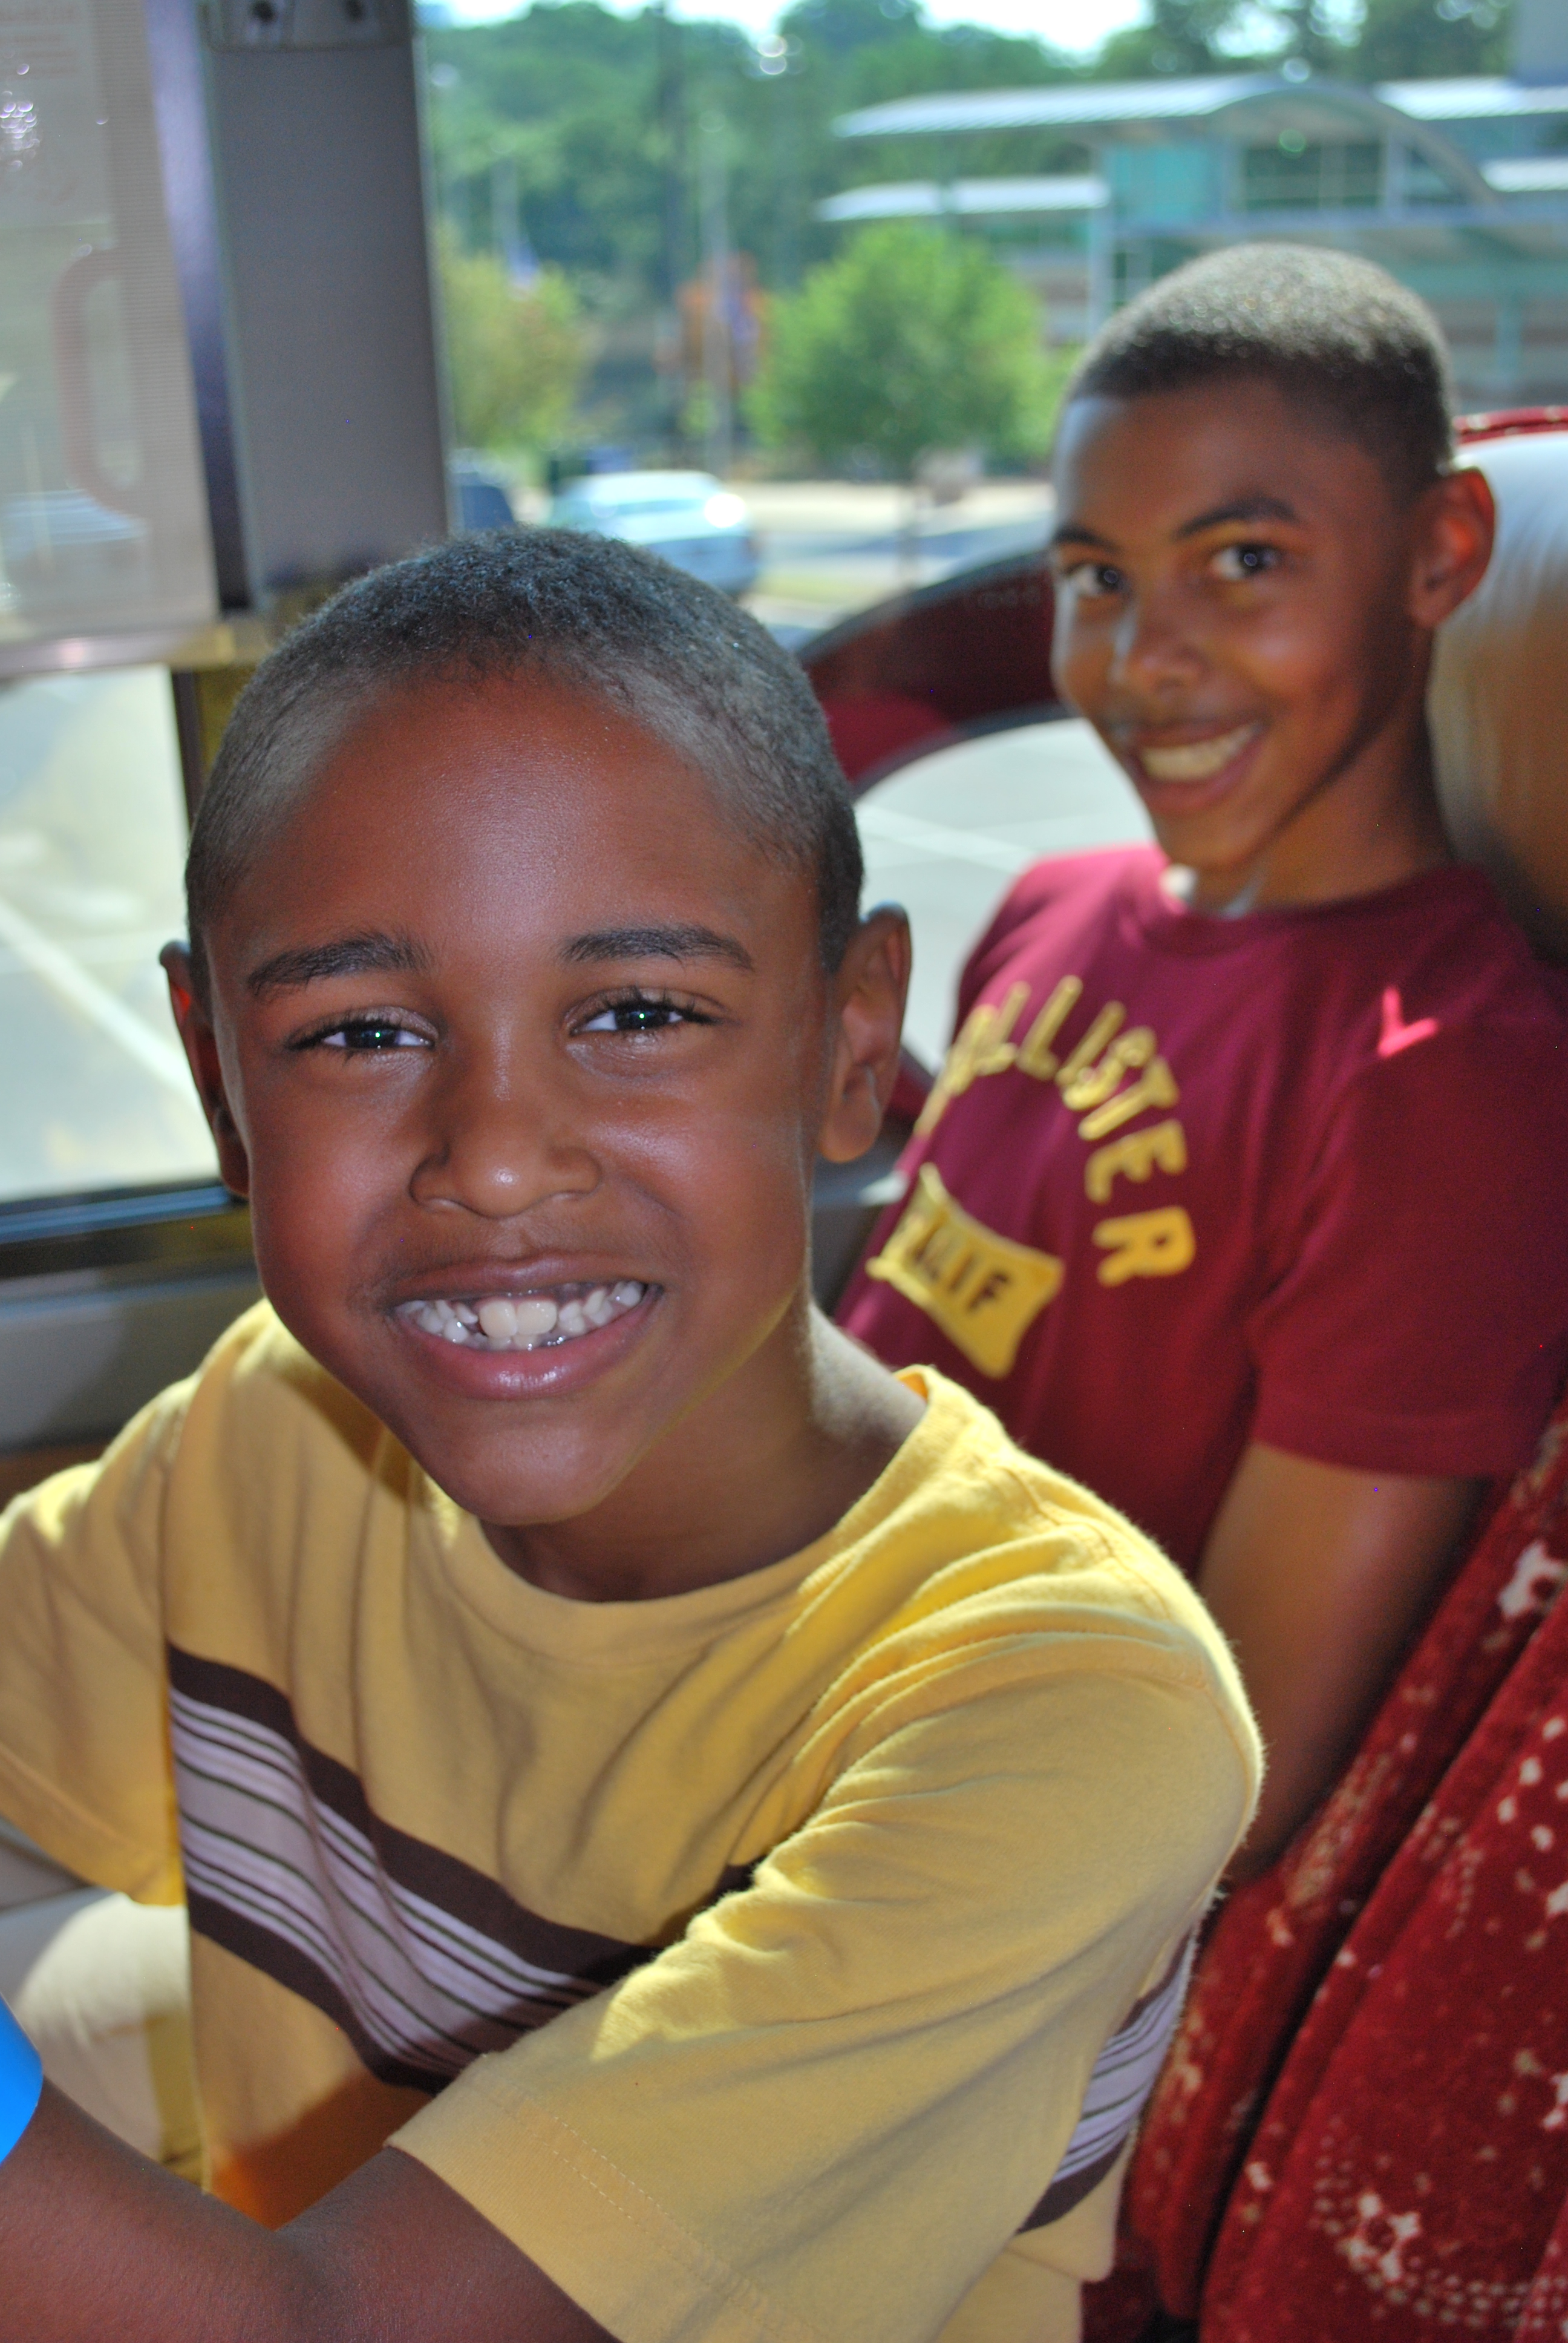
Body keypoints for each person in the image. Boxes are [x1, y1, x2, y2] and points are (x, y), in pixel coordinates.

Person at [0, 532, 1258, 2343]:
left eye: (641, 1014)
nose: (500, 1158)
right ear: (217, 1080)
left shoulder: (1066, 1713)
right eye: (360, 1034)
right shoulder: (275, 1435)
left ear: (850, 1044)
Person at [840, 244, 1568, 1876]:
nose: (1142, 661)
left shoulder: (1447, 1089)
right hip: (783, 1678)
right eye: (1098, 578)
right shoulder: (1050, 909)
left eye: (1243, 562)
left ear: (1441, 554)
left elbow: (1230, 1777)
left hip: (957, 1859)